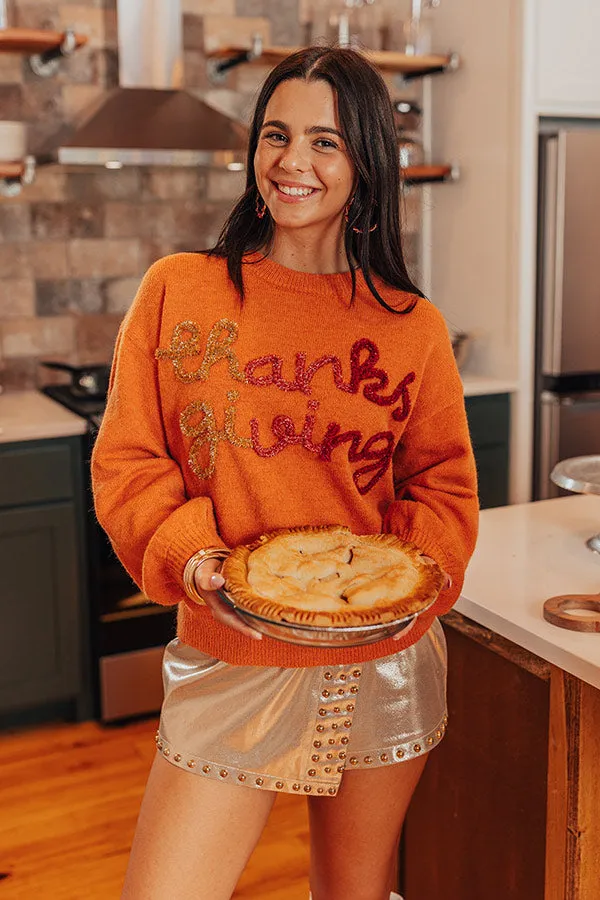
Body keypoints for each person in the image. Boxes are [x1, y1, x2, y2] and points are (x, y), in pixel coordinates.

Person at [92, 45, 479, 900]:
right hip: (233, 651)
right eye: (276, 135)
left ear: (368, 161)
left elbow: (442, 485)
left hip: (383, 661)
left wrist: (408, 583)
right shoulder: (180, 291)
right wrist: (195, 558)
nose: (292, 161)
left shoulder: (412, 327)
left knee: (354, 893)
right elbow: (127, 460)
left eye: (325, 142)